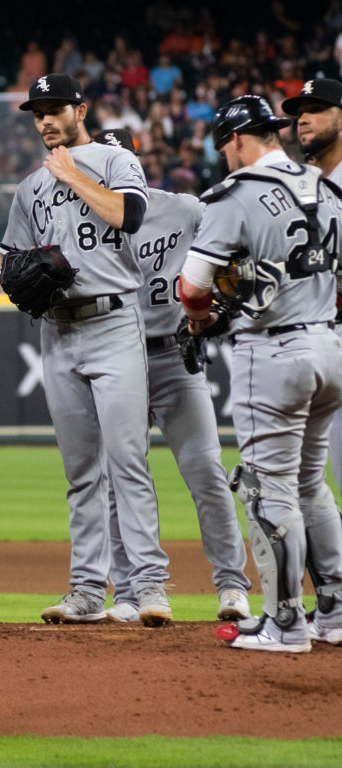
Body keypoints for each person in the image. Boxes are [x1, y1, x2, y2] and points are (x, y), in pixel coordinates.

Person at [0, 74, 172, 626]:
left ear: (81, 109)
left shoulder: (115, 161)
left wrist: (73, 175)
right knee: (81, 471)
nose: (45, 120)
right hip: (58, 331)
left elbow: (129, 216)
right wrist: (17, 276)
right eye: (37, 112)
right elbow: (8, 262)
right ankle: (86, 591)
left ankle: (148, 586)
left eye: (54, 109)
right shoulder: (29, 187)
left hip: (114, 323)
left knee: (128, 460)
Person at [180, 95, 342, 652]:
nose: (225, 157)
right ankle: (337, 613)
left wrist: (201, 322)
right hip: (330, 345)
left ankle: (286, 622)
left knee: (266, 487)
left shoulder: (236, 194)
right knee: (310, 484)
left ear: (238, 141)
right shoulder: (326, 187)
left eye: (225, 146)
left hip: (272, 355)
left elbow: (192, 288)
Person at [93, 129, 251, 623]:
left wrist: (222, 305)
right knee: (120, 481)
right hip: (117, 361)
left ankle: (232, 586)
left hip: (173, 358)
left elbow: (232, 254)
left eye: (121, 159)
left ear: (135, 163)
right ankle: (130, 594)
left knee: (205, 471)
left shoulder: (184, 209)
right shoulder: (86, 222)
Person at [282, 80, 342, 539]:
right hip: (319, 345)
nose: (303, 118)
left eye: (318, 109)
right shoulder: (298, 188)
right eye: (300, 111)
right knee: (306, 483)